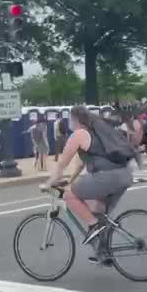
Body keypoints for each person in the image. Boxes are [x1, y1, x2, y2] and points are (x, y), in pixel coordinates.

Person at [46, 105, 134, 264]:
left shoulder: (79, 134)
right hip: (125, 174)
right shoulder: (97, 133)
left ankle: (93, 227)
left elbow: (61, 164)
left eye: (71, 120)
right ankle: (103, 252)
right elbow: (80, 164)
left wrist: (48, 184)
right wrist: (71, 180)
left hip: (107, 176)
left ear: (75, 120)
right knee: (99, 211)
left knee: (68, 195)